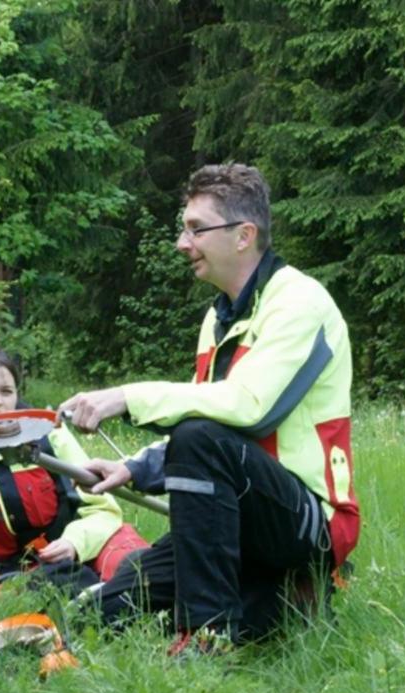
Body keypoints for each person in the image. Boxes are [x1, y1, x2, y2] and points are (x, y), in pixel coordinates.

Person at [61, 163, 358, 653]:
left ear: (244, 236)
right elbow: (207, 412)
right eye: (185, 228)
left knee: (198, 439)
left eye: (196, 229)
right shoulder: (217, 317)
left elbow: (248, 409)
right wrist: (132, 468)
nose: (182, 242)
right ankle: (277, 602)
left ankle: (208, 635)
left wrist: (126, 397)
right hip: (236, 516)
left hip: (310, 521)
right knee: (109, 607)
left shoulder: (301, 303)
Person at [0, 347, 147, 588]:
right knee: (25, 590)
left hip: (83, 544)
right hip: (15, 570)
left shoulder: (49, 433)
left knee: (137, 566)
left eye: (7, 391)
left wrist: (74, 543)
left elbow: (104, 512)